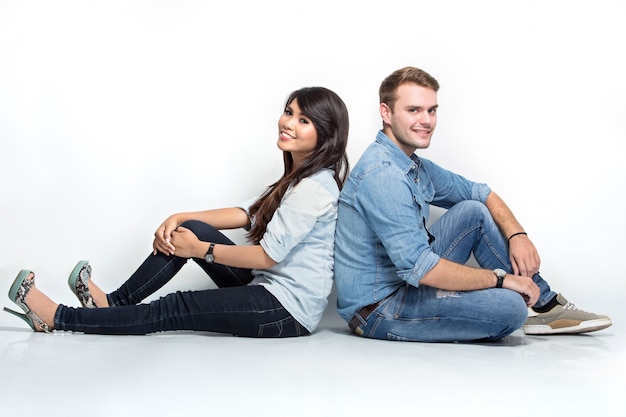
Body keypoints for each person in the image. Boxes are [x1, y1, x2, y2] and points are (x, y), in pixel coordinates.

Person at [4, 86, 350, 338]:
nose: (288, 123)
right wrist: (181, 218)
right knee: (195, 227)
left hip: (286, 310)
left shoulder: (314, 188)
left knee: (175, 307)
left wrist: (201, 251)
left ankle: (59, 317)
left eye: (303, 120)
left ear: (325, 136)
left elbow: (267, 257)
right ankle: (113, 303)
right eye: (288, 112)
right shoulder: (298, 177)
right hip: (270, 287)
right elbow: (251, 213)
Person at [333, 66, 611, 342]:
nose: (426, 120)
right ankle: (530, 304)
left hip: (407, 284)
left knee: (473, 212)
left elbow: (481, 193)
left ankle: (546, 306)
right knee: (512, 309)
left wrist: (518, 234)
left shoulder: (410, 165)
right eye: (414, 110)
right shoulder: (382, 174)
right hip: (379, 310)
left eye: (432, 110)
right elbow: (423, 267)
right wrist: (502, 279)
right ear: (386, 113)